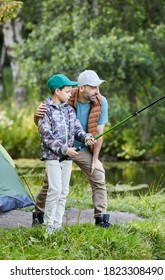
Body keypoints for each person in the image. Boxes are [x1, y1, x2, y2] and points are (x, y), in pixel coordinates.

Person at [33, 70, 112, 228]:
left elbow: (97, 132)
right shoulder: (66, 96)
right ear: (82, 88)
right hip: (59, 150)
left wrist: (94, 157)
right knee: (52, 186)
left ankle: (101, 218)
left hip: (81, 149)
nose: (98, 91)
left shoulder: (100, 102)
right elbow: (45, 127)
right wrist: (36, 116)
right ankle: (40, 215)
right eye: (94, 87)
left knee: (97, 176)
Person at [37, 73, 95, 233]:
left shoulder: (69, 110)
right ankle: (48, 226)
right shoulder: (45, 110)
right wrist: (65, 149)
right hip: (53, 157)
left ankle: (57, 225)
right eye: (68, 91)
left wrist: (86, 137)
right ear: (57, 91)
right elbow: (46, 136)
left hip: (67, 158)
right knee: (54, 189)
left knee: (63, 192)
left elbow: (77, 129)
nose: (71, 94)